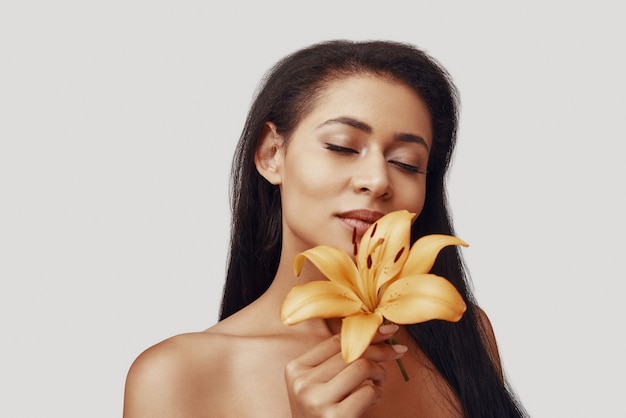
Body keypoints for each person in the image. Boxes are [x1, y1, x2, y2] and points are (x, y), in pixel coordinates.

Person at [123, 39, 528, 417]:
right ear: (271, 154)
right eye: (342, 147)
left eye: (406, 162)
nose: (378, 180)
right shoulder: (175, 376)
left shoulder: (463, 335)